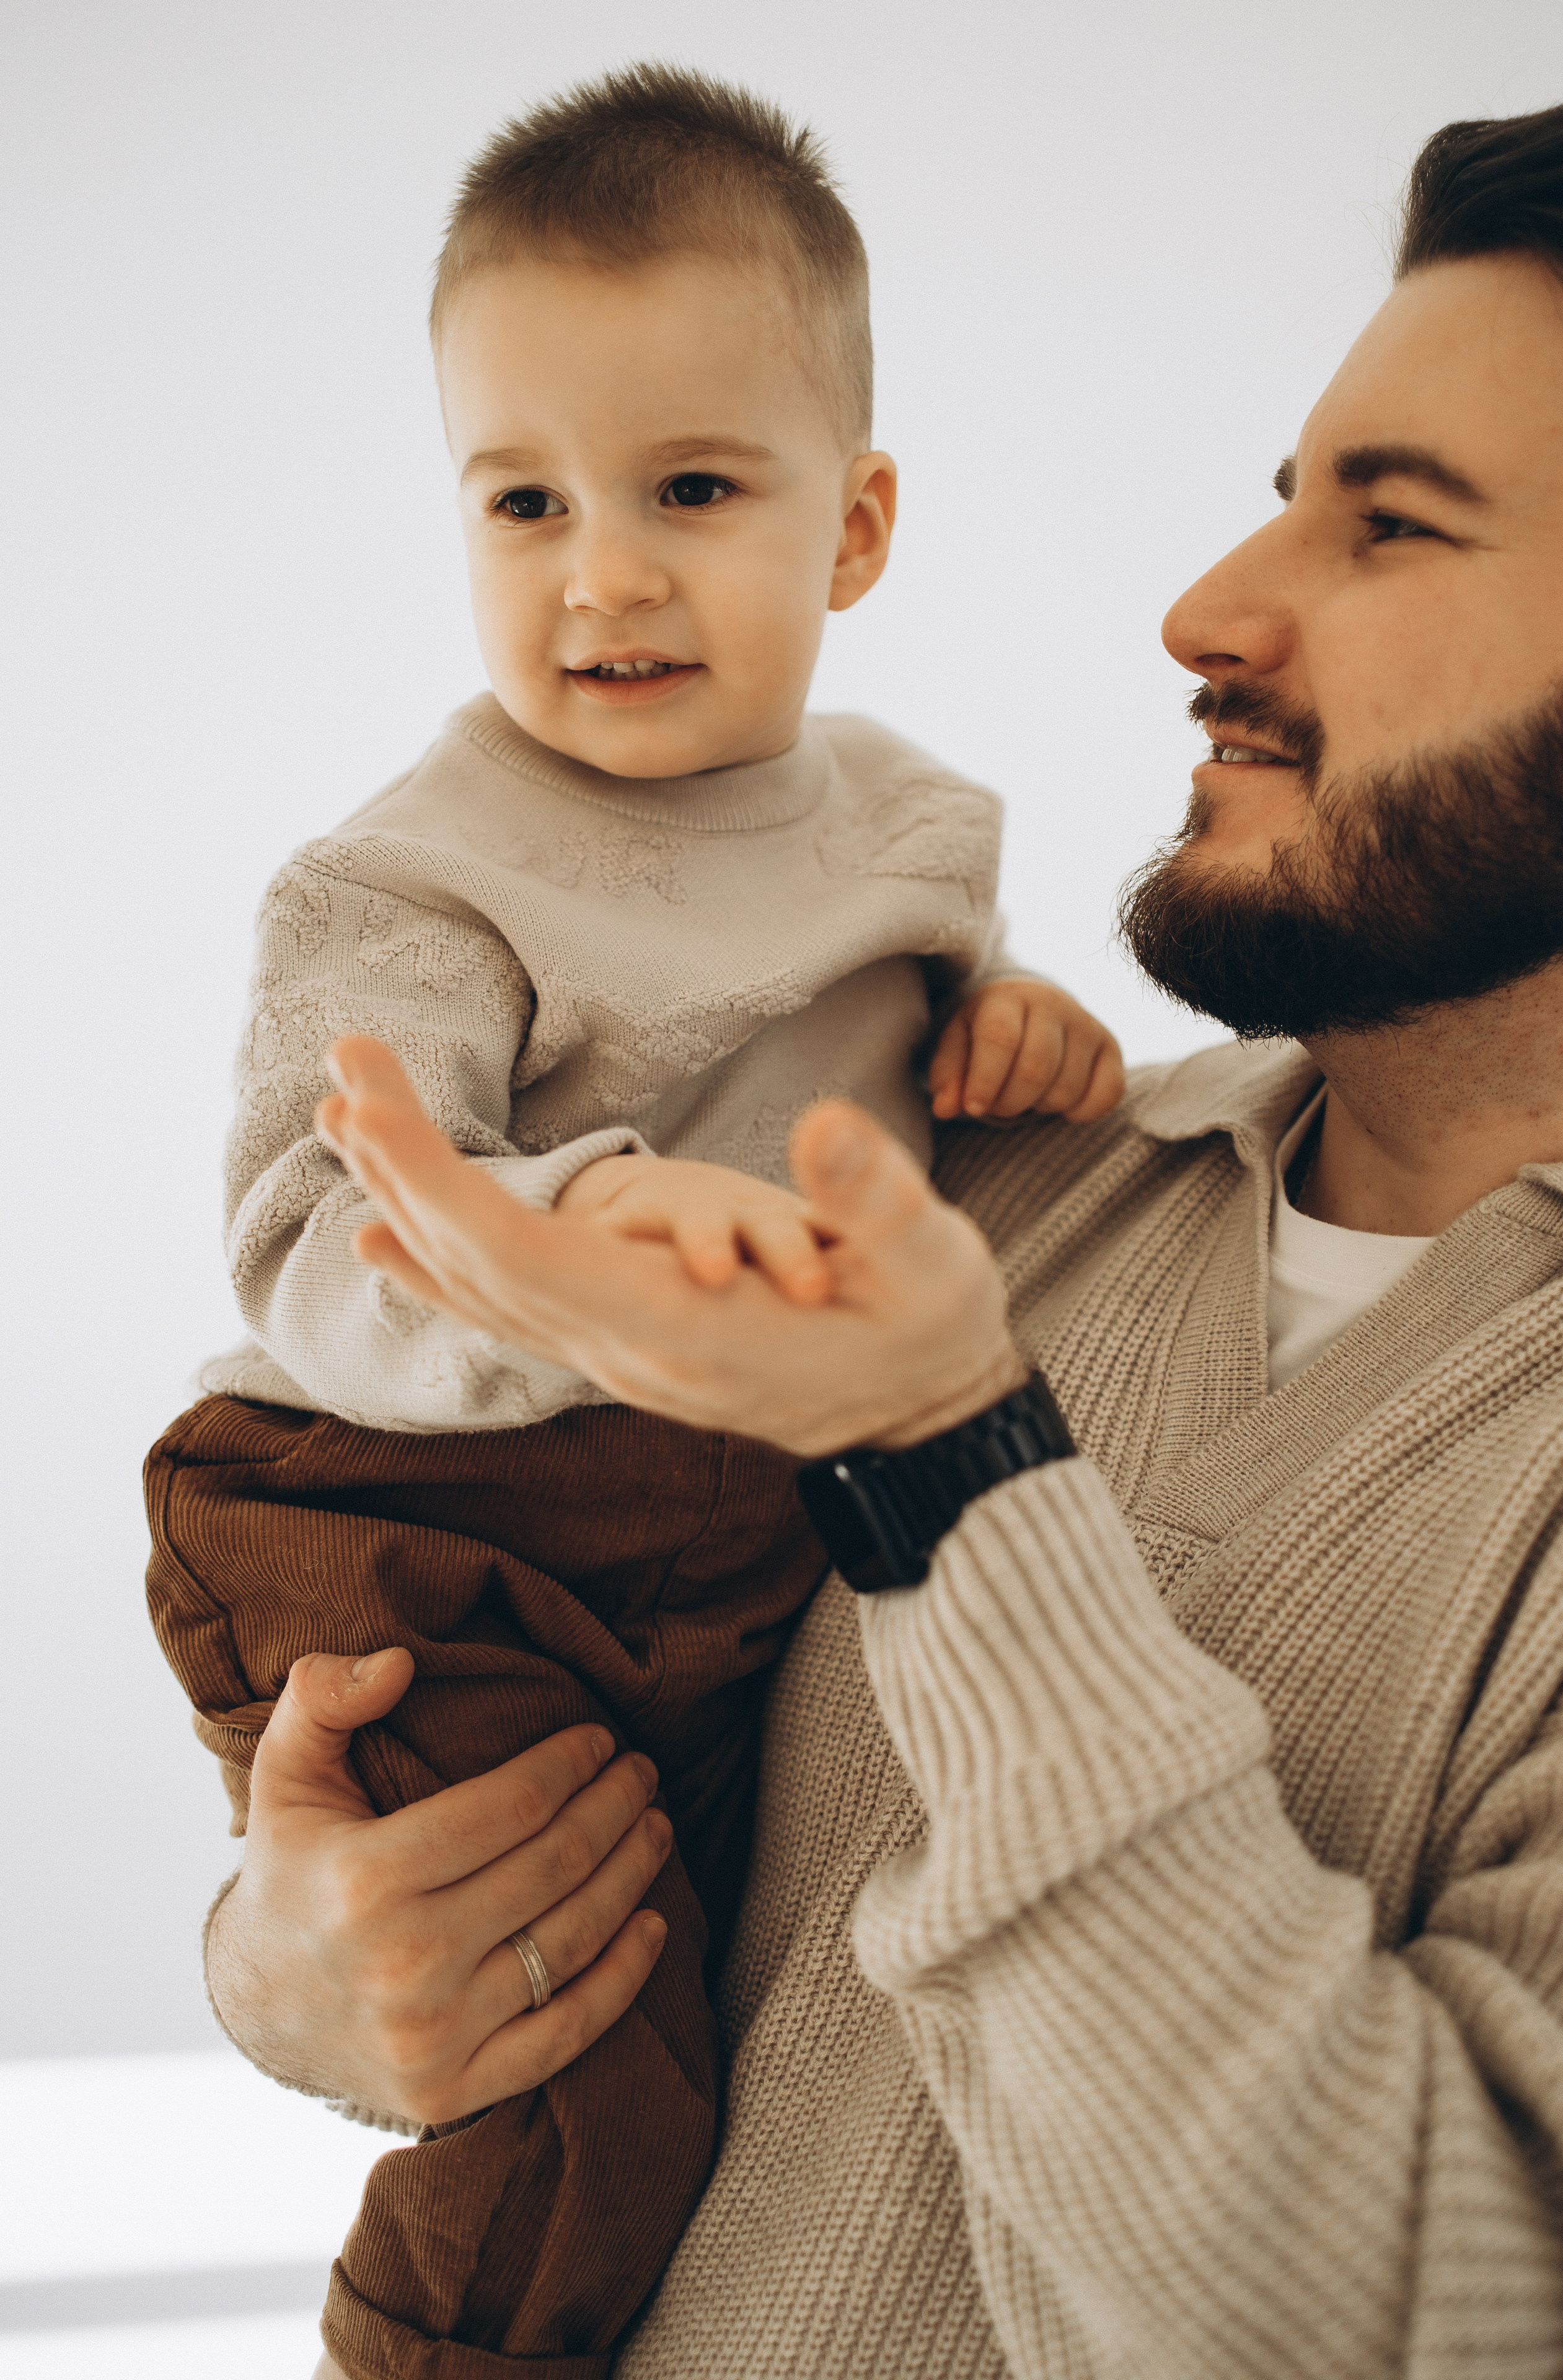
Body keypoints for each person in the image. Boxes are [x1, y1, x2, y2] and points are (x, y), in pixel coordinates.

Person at [205, 91, 1563, 2379]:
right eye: (1277, 502)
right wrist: (303, 1962)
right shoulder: (967, 1187)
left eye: (1395, 528)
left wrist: (948, 1471)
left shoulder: (902, 1332)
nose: (1205, 611)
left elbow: (1415, 2313)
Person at [142, 64, 1122, 2380]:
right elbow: (310, 1229)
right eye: (524, 498)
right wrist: (577, 1223)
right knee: (579, 2067)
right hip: (413, 1516)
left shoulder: (913, 833)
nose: (603, 572)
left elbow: (924, 1127)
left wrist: (1030, 1036)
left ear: (855, 526)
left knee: (744, 2009)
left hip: (721, 1544)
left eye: (692, 487)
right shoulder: (414, 876)